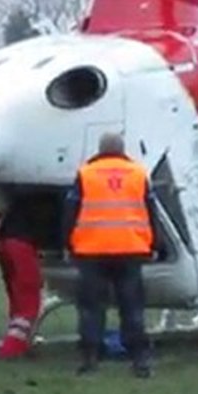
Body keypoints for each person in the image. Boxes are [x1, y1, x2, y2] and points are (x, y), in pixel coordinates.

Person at [65, 132, 159, 378]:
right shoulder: (138, 173)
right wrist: (155, 243)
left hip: (91, 250)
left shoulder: (86, 174)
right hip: (131, 248)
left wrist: (67, 242)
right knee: (132, 307)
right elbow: (151, 212)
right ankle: (139, 360)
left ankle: (90, 359)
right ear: (121, 149)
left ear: (100, 149)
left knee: (92, 307)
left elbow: (71, 212)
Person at [0, 191, 48, 359]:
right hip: (22, 245)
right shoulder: (48, 198)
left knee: (16, 296)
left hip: (3, 242)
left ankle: (18, 339)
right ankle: (12, 348)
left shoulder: (23, 194)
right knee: (30, 301)